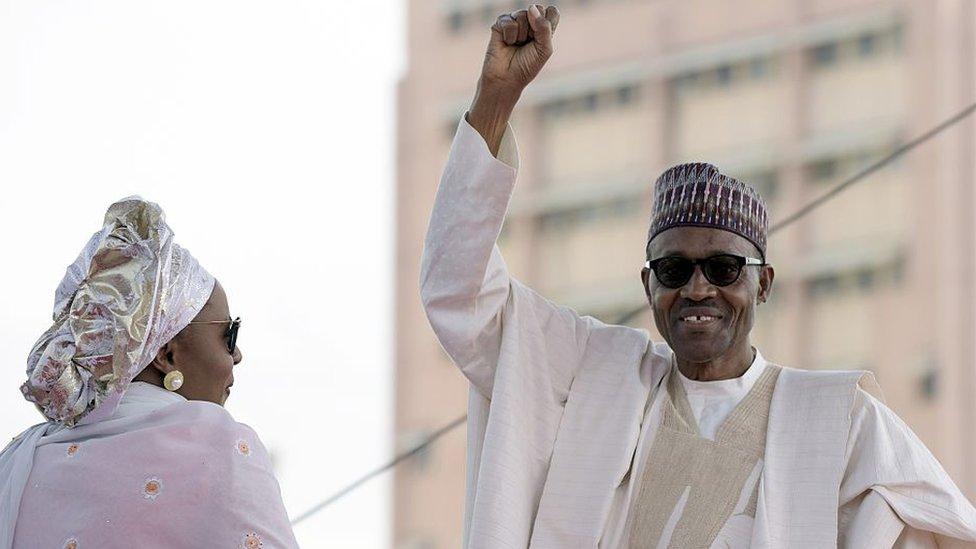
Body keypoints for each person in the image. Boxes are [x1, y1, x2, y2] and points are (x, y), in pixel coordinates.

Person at [419, 5, 976, 547]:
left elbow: (940, 528)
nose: (698, 288)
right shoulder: (590, 378)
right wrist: (497, 97)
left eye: (724, 268)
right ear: (648, 287)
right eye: (674, 269)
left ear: (763, 282)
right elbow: (460, 292)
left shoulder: (838, 420)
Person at [0, 197, 299, 548]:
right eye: (228, 335)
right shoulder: (220, 447)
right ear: (166, 354)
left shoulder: (19, 461)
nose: (237, 356)